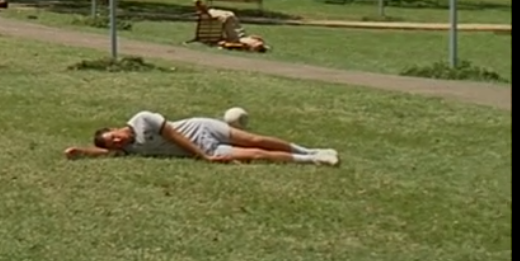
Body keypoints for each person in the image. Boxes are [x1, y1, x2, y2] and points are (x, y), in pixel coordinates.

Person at [64, 110, 340, 166]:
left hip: (203, 130)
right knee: (256, 156)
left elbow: (173, 135)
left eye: (114, 136)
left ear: (116, 128)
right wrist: (81, 152)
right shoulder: (130, 149)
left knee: (255, 140)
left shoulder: (143, 119)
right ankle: (314, 160)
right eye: (113, 143)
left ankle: (310, 149)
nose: (117, 142)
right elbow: (107, 153)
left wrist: (202, 156)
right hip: (207, 149)